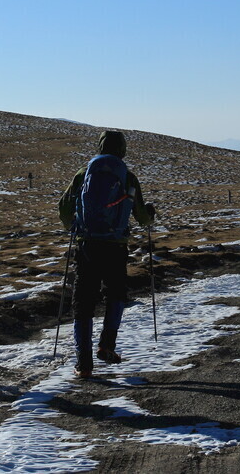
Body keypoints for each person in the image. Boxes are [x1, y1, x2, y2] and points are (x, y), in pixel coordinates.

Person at [59, 131, 155, 379]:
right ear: (123, 149)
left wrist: (73, 226)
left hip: (87, 245)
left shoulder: (83, 174)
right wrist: (150, 216)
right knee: (115, 294)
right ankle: (107, 345)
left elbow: (64, 207)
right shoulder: (128, 176)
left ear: (100, 146)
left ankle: (83, 364)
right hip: (115, 246)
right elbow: (141, 216)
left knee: (83, 302)